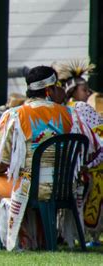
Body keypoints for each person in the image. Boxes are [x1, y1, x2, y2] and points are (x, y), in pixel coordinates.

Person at [0, 66, 100, 251]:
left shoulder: (15, 115)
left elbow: (0, 163)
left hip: (28, 188)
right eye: (56, 87)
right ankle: (36, 240)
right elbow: (92, 152)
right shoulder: (72, 115)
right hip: (66, 187)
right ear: (48, 90)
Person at [57, 59, 103, 247]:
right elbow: (99, 137)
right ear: (73, 91)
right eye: (84, 90)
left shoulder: (61, 110)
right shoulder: (81, 107)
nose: (88, 93)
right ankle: (91, 233)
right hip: (86, 166)